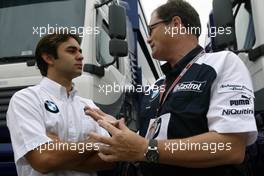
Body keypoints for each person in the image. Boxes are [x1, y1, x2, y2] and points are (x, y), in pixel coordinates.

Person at [85, 0, 258, 176]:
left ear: (175, 24)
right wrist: (122, 133)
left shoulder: (223, 63)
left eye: (151, 28)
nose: (147, 37)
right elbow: (150, 141)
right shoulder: (158, 85)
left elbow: (231, 147)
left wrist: (145, 148)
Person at [6, 33, 113, 176]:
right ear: (48, 58)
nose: (80, 56)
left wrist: (58, 149)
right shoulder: (25, 99)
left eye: (80, 51)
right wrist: (92, 144)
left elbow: (111, 159)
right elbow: (43, 159)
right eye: (71, 51)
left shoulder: (89, 105)